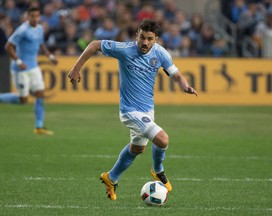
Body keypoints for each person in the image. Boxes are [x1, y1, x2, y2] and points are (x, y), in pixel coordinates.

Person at [68, 19, 198, 200]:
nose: (145, 43)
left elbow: (176, 74)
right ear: (137, 34)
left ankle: (110, 178)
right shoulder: (125, 49)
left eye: (150, 39)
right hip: (129, 111)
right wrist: (76, 68)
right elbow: (94, 44)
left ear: (156, 39)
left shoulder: (161, 54)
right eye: (142, 38)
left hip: (147, 110)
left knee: (137, 149)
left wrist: (185, 86)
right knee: (162, 139)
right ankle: (157, 170)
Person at [0, 6, 58, 135]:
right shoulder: (22, 30)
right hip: (21, 69)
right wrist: (19, 61)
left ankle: (38, 127)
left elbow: (41, 43)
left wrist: (50, 56)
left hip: (34, 67)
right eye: (32, 16)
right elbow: (8, 47)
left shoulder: (39, 28)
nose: (35, 18)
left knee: (40, 94)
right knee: (23, 100)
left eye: (37, 16)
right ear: (27, 16)